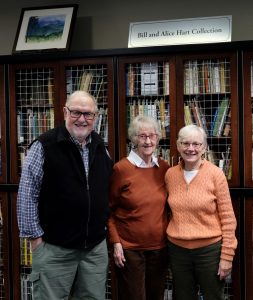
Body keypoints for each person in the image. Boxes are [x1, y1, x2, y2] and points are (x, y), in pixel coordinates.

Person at [17, 90, 114, 300]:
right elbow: (26, 195)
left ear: (96, 117)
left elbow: (106, 193)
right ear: (64, 112)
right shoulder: (44, 146)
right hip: (54, 249)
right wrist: (36, 240)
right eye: (76, 112)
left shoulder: (100, 147)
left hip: (94, 251)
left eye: (88, 114)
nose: (82, 119)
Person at [165, 124, 237, 300]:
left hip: (209, 251)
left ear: (204, 147)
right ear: (178, 145)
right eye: (185, 143)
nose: (191, 148)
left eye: (196, 144)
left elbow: (228, 219)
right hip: (178, 251)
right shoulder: (169, 175)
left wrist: (227, 256)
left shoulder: (216, 174)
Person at [108, 115, 170, 300]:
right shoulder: (121, 169)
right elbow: (108, 210)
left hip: (160, 248)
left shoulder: (165, 168)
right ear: (134, 139)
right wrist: (116, 243)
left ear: (158, 138)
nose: (148, 141)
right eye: (142, 136)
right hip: (130, 250)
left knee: (156, 296)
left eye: (152, 135)